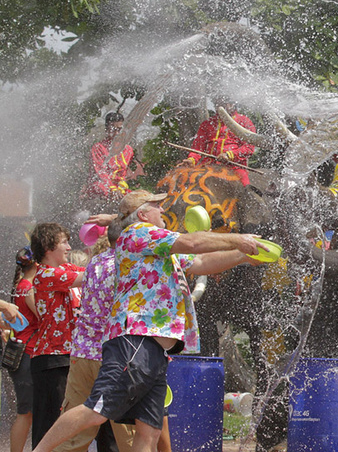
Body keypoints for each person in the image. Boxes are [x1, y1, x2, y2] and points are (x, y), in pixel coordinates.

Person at [31, 190, 261, 452]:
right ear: (142, 214)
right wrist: (238, 240)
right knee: (95, 411)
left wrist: (243, 255)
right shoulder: (138, 233)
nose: (162, 210)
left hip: (155, 349)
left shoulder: (160, 248)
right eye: (156, 205)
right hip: (135, 341)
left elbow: (199, 261)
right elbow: (193, 244)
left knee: (149, 432)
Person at [54, 235, 134, 452]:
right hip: (115, 357)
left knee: (73, 436)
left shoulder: (95, 262)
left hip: (82, 354)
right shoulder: (130, 263)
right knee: (131, 437)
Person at [27, 224, 85, 448]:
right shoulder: (45, 274)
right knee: (49, 427)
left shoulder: (67, 268)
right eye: (64, 242)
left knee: (67, 427)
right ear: (48, 247)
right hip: (51, 360)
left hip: (70, 356)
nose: (69, 247)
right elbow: (91, 276)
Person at [182, 98, 256, 185]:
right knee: (185, 180)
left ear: (234, 103)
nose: (224, 104)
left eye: (227, 102)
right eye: (219, 102)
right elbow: (197, 148)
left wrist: (229, 155)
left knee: (245, 186)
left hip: (234, 167)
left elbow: (248, 148)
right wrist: (192, 159)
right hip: (208, 165)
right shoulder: (207, 123)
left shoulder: (244, 121)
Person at [7, 247, 38, 452]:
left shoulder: (19, 285)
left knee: (26, 412)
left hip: (21, 352)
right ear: (37, 263)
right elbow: (44, 317)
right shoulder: (29, 288)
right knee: (26, 412)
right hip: (28, 353)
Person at [84, 113, 139, 202]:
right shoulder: (98, 148)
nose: (117, 133)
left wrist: (120, 187)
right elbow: (100, 172)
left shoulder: (128, 150)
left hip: (119, 188)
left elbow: (123, 174)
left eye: (119, 130)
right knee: (101, 189)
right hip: (101, 185)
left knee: (136, 199)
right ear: (107, 129)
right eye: (113, 129)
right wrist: (112, 189)